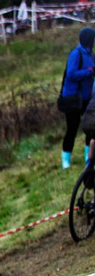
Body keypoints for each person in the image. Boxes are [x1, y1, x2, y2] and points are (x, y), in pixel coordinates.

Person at [60, 27, 95, 170]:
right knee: (72, 128)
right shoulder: (76, 54)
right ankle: (66, 159)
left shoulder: (91, 55)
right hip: (73, 98)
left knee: (90, 128)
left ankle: (88, 156)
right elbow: (71, 74)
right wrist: (89, 72)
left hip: (87, 97)